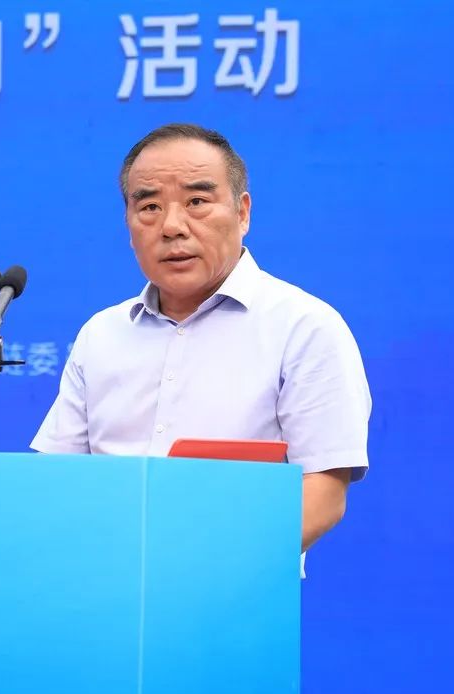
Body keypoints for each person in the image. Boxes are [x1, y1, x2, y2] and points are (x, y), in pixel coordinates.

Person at [31, 123, 371, 563]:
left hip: (233, 586)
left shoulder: (304, 327)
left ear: (242, 213)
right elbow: (56, 478)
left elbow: (323, 493)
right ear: (129, 224)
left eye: (196, 202)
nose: (172, 226)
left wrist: (208, 568)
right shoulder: (102, 333)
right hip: (103, 581)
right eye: (149, 207)